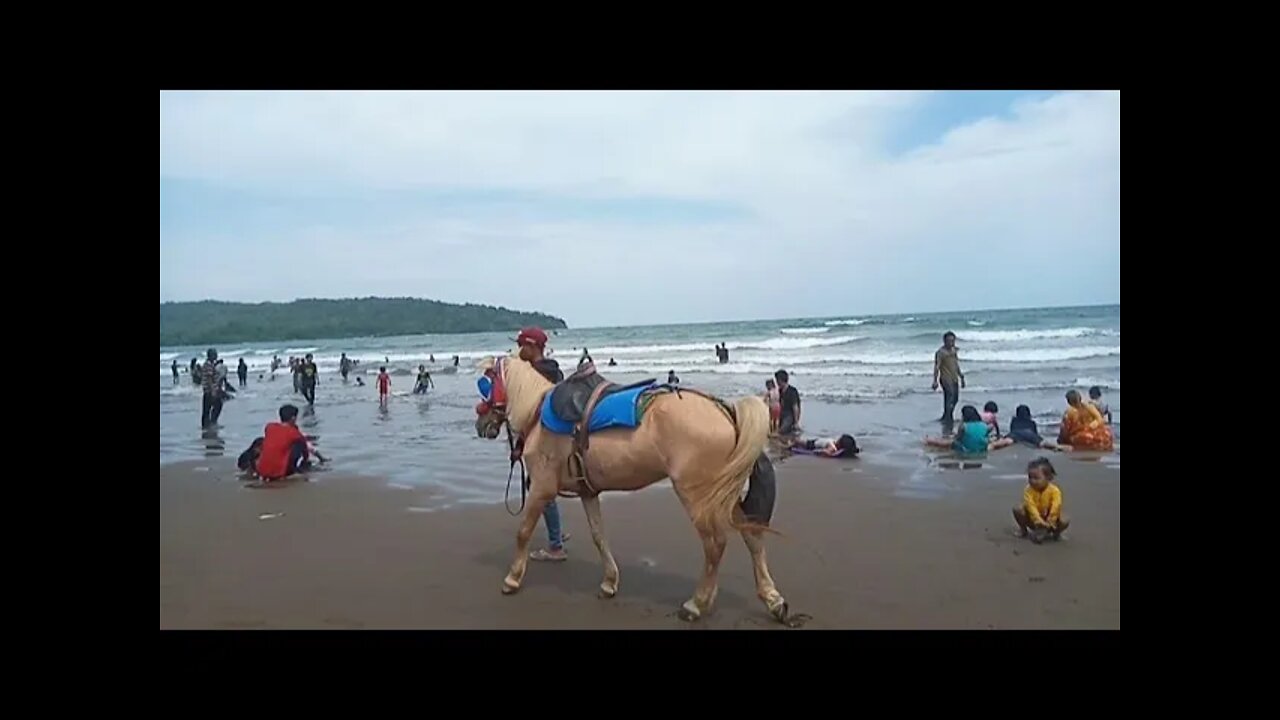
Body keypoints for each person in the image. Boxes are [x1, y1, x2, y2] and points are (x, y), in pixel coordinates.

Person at [514, 327, 571, 561]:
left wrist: (519, 444)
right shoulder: (555, 372)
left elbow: (527, 414)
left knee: (541, 490)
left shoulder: (532, 375)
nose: (519, 350)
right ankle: (555, 532)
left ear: (533, 347)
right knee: (545, 491)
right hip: (557, 438)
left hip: (541, 442)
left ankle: (555, 545)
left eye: (522, 345)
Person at [1012, 457, 1069, 544]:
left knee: (1065, 520)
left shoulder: (1055, 491)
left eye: (1036, 478)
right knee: (1018, 509)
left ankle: (1056, 534)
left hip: (1050, 521)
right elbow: (1030, 506)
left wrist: (1050, 521)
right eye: (1030, 477)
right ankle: (1023, 530)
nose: (1032, 481)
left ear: (1049, 477)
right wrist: (1038, 521)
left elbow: (1056, 506)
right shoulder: (1028, 490)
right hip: (1033, 520)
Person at [256, 404, 312, 482]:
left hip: (261, 471)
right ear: (293, 418)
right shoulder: (294, 433)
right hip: (279, 473)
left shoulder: (269, 427)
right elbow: (305, 449)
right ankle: (292, 470)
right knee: (299, 444)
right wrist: (306, 460)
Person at [925, 405, 1011, 454]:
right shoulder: (983, 425)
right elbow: (990, 429)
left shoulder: (963, 426)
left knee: (949, 442)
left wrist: (953, 437)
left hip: (965, 449)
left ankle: (930, 440)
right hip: (983, 448)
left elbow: (958, 439)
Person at [932, 331, 965, 425]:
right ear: (944, 341)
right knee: (949, 397)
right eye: (949, 341)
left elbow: (956, 364)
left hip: (954, 377)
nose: (951, 343)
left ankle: (947, 414)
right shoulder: (940, 352)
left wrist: (961, 376)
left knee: (955, 398)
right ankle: (948, 417)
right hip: (945, 378)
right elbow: (937, 366)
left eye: (953, 341)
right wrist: (935, 381)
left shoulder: (954, 351)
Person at [200, 348, 228, 428]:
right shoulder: (208, 364)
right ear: (211, 355)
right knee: (217, 405)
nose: (216, 355)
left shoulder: (210, 364)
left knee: (207, 409)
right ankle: (212, 423)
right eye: (215, 354)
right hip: (209, 391)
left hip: (208, 391)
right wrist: (213, 391)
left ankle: (208, 424)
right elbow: (209, 378)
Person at [775, 370, 802, 436]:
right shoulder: (780, 391)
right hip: (782, 413)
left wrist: (796, 422)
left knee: (780, 431)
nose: (776, 383)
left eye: (777, 381)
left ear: (781, 380)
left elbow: (795, 407)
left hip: (790, 415)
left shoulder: (792, 391)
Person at [790, 434, 860, 458]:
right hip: (817, 441)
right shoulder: (833, 444)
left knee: (798, 441)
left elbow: (826, 452)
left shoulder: (832, 447)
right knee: (797, 440)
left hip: (812, 444)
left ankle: (789, 445)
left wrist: (823, 452)